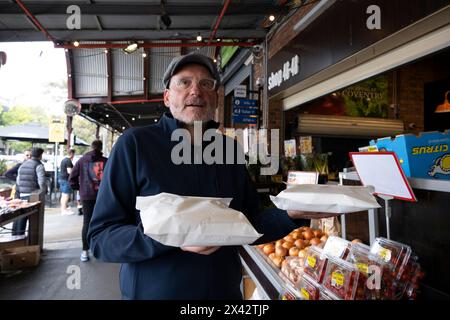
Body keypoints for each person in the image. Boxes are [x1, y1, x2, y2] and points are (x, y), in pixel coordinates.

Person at [87, 53, 338, 299]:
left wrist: (291, 213)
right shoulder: (136, 145)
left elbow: (250, 223)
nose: (196, 90)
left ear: (216, 99)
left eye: (206, 84)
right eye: (184, 82)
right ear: (167, 97)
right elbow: (102, 238)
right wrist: (171, 238)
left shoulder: (228, 150)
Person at [69, 140, 107, 262]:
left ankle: (85, 251)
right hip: (103, 196)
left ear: (91, 147)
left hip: (86, 195)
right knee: (103, 221)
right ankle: (102, 249)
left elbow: (72, 178)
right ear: (101, 148)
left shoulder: (81, 161)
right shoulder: (106, 161)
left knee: (87, 222)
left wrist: (79, 188)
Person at [13, 147, 46, 236]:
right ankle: (30, 239)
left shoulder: (22, 165)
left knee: (22, 217)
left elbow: (18, 181)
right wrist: (43, 191)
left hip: (22, 194)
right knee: (34, 220)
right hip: (33, 195)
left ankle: (19, 237)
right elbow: (42, 181)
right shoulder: (39, 165)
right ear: (40, 155)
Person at [59, 148, 75, 215]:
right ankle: (64, 210)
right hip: (66, 180)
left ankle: (63, 209)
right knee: (66, 195)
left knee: (63, 195)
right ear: (71, 153)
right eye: (73, 154)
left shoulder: (63, 160)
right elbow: (69, 171)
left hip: (62, 179)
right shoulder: (68, 161)